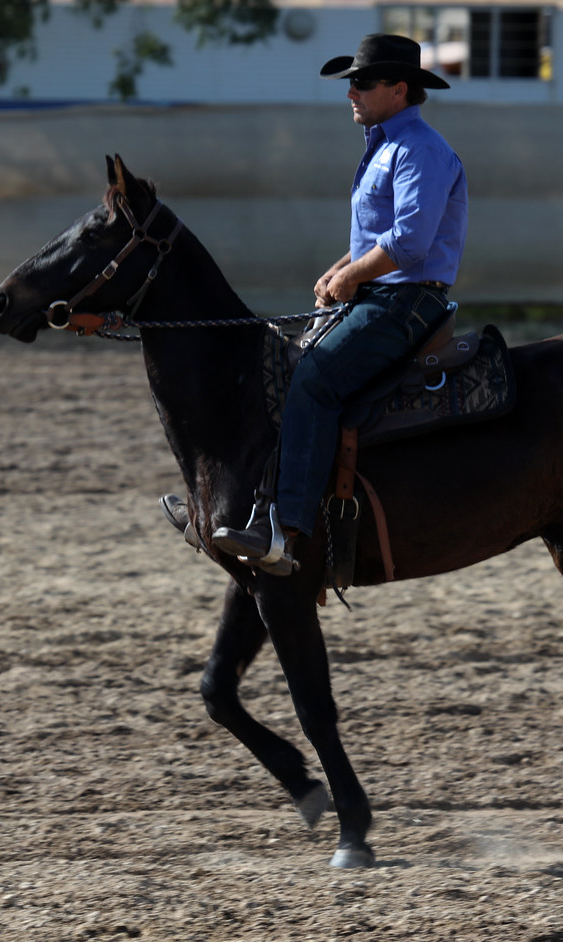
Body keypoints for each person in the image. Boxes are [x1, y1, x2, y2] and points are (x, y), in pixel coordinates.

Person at [162, 33, 468, 573]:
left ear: (399, 90)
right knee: (277, 367)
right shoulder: (387, 144)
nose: (350, 91)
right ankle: (228, 508)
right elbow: (387, 237)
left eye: (361, 82)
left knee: (315, 380)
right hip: (384, 294)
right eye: (350, 82)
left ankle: (286, 528)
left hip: (406, 304)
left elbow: (412, 244)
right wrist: (342, 267)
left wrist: (353, 273)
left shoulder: (418, 149)